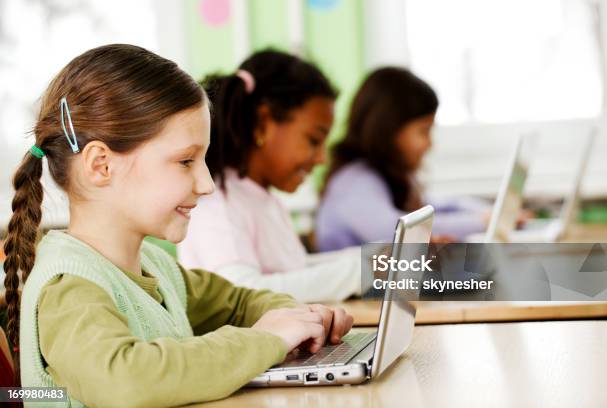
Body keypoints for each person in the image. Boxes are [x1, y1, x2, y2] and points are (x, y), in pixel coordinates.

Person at [2, 44, 353, 407]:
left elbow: (239, 302)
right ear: (101, 166)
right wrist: (268, 340)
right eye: (186, 161)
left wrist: (298, 318)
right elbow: (126, 380)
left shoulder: (156, 267)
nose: (207, 184)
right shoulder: (69, 287)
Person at [178, 50, 362, 303]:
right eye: (314, 140)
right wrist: (362, 272)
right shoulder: (218, 200)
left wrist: (373, 262)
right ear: (263, 122)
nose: (322, 159)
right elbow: (242, 292)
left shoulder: (261, 198)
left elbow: (294, 272)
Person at [316, 67, 489, 251]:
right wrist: (481, 221)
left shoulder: (383, 175)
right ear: (389, 130)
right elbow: (400, 231)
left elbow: (436, 206)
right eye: (423, 131)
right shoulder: (353, 182)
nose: (429, 144)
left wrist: (487, 214)